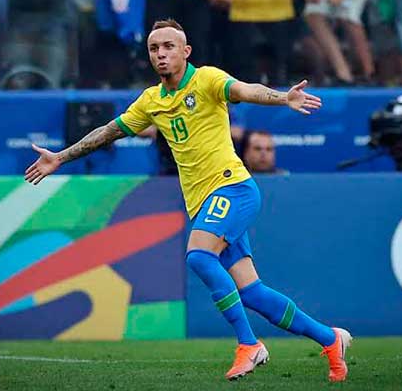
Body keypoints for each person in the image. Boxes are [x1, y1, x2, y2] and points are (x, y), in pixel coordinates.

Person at [25, 19, 352, 382]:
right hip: (204, 202)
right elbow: (108, 132)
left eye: (168, 47)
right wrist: (60, 157)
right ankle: (330, 339)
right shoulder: (151, 100)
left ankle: (249, 344)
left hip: (232, 188)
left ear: (186, 51)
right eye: (154, 48)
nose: (161, 54)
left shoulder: (207, 79)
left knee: (198, 256)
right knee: (253, 293)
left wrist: (282, 97)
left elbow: (246, 90)